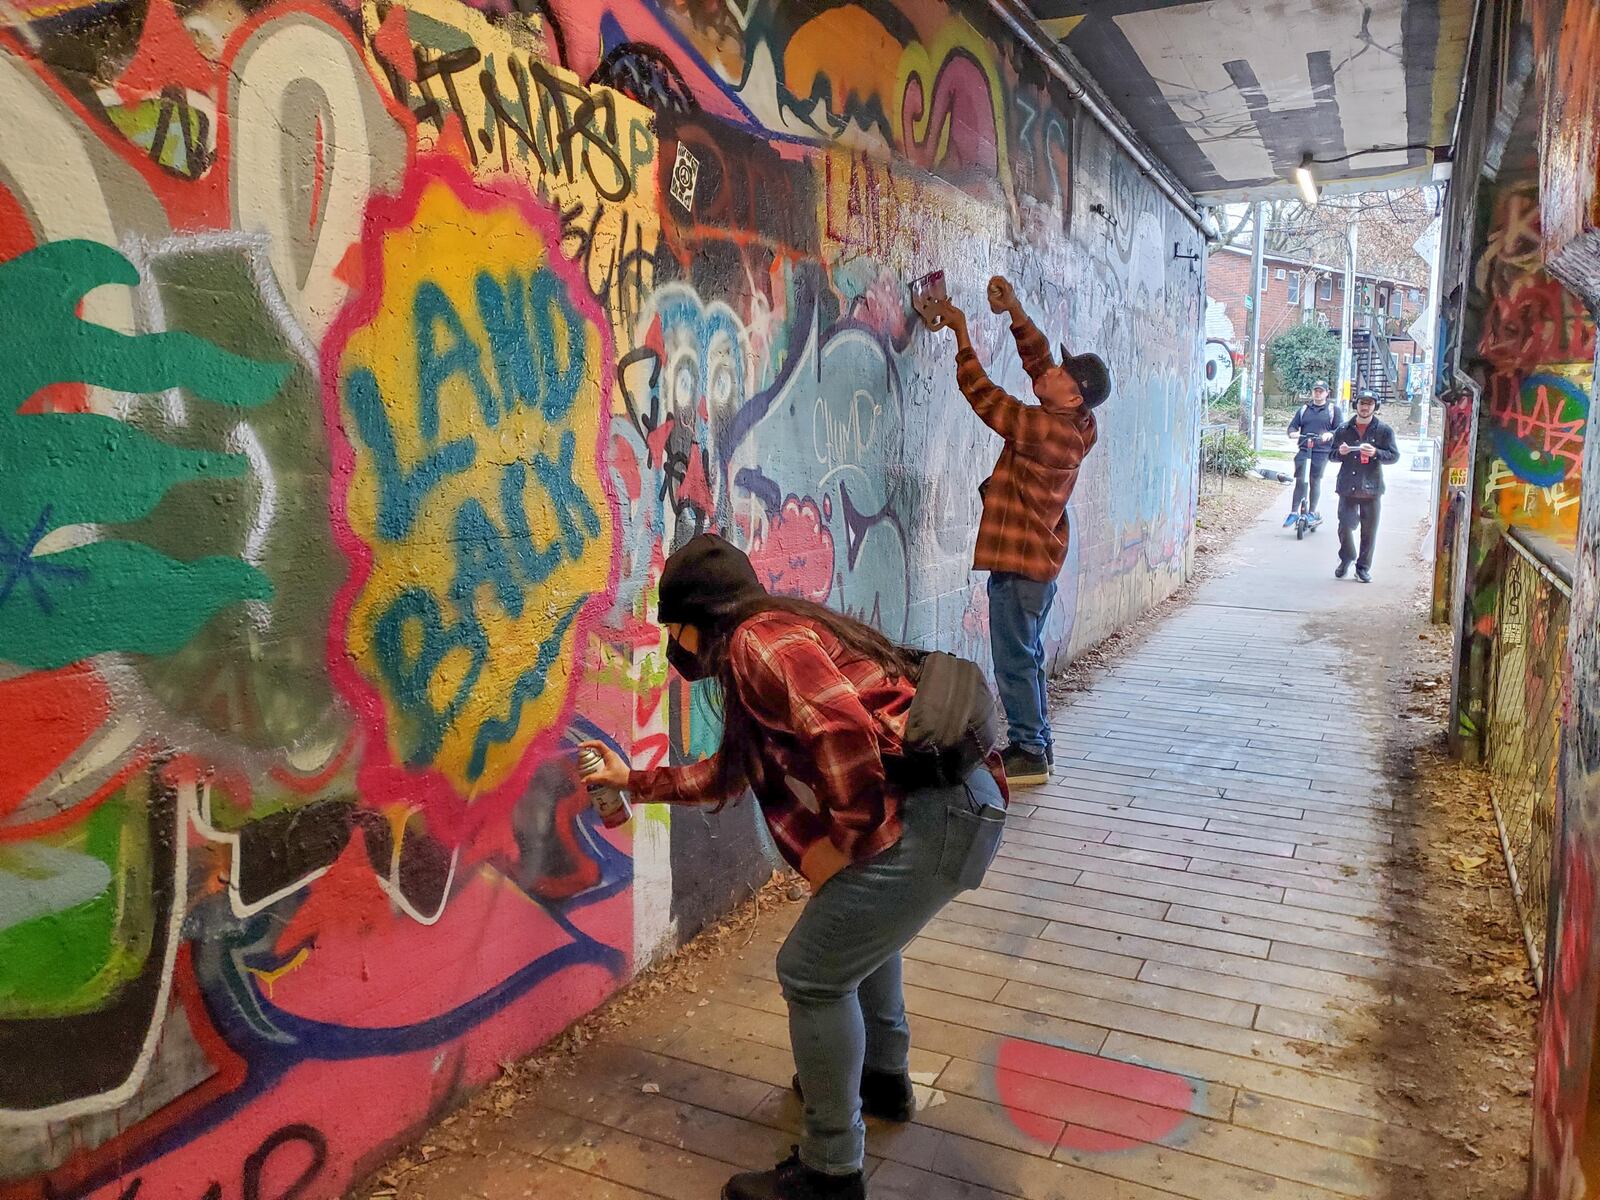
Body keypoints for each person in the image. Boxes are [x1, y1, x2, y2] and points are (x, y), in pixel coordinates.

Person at [579, 534, 1008, 1200]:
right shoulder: (778, 635)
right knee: (856, 936)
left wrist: (849, 836)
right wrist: (630, 781)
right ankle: (880, 1080)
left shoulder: (756, 645)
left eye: (676, 632)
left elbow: (839, 732)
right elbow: (726, 777)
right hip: (957, 808)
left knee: (810, 972)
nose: (674, 651)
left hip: (938, 817)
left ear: (698, 622)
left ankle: (830, 1171)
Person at [929, 276, 1108, 788]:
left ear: (1073, 397)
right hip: (1035, 565)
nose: (1047, 370)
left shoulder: (1049, 431)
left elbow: (986, 398)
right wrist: (1016, 313)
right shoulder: (1078, 423)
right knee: (1025, 655)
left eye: (1060, 374)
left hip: (1021, 565)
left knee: (1012, 658)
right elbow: (1040, 365)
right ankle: (1039, 743)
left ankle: (1029, 750)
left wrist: (962, 334)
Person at [1332, 389, 1400, 583]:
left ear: (1375, 407)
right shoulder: (1344, 429)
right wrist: (1341, 452)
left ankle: (1362, 567)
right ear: (1356, 405)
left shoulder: (1383, 430)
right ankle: (1347, 557)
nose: (1365, 407)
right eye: (1362, 403)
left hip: (1372, 488)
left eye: (1369, 404)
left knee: (1369, 532)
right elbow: (1331, 454)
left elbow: (1393, 456)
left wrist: (1376, 453)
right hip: (1347, 487)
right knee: (1344, 526)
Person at [1284, 379, 1341, 527]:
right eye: (1315, 390)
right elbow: (1292, 427)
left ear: (1327, 393)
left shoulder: (1333, 410)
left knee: (1314, 479)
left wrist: (1330, 434)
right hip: (1304, 449)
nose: (1318, 393)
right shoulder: (1304, 409)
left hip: (1321, 451)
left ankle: (1312, 512)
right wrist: (1293, 433)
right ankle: (1294, 512)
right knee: (1300, 479)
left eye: (1321, 391)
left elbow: (1340, 429)